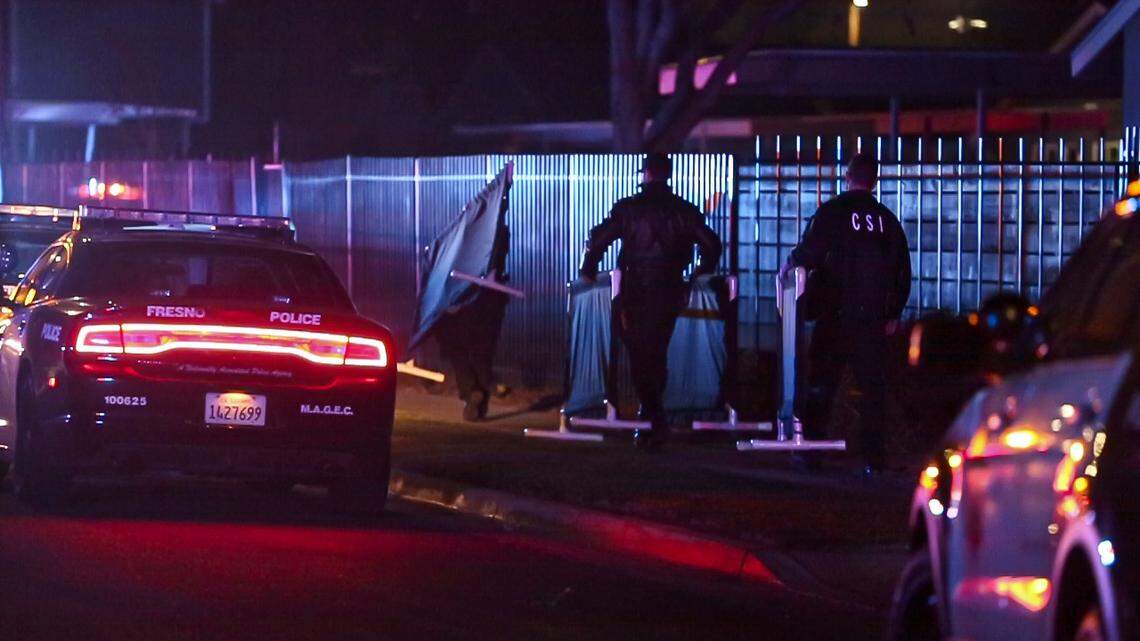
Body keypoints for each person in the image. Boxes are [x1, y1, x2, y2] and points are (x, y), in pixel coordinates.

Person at [779, 152, 911, 476]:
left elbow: (808, 252)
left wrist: (789, 267)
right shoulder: (887, 220)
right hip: (872, 320)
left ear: (847, 176)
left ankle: (811, 452)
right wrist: (893, 313)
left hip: (834, 314)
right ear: (874, 181)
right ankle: (873, 459)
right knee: (872, 389)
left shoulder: (831, 213)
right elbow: (902, 272)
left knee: (821, 384)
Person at [579, 153, 722, 449]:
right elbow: (712, 244)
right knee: (657, 350)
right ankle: (651, 417)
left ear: (645, 174)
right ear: (667, 175)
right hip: (670, 288)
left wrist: (588, 270)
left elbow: (599, 239)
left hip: (635, 289)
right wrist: (698, 273)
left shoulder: (628, 209)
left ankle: (654, 420)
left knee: (639, 353)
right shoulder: (684, 210)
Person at [436, 225, 511, 421]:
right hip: (488, 299)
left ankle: (474, 390)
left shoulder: (474, 234)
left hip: (472, 298)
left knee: (462, 352)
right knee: (480, 351)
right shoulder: (495, 233)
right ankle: (483, 388)